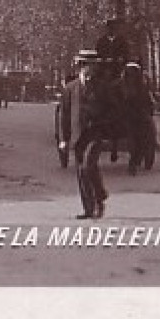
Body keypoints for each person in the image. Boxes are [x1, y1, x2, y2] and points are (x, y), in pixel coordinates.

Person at [59, 50, 112, 219]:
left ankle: (99, 197)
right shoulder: (70, 88)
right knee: (81, 173)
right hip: (77, 135)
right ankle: (89, 208)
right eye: (86, 65)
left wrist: (103, 126)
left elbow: (111, 109)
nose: (89, 69)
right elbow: (64, 115)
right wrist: (63, 139)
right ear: (81, 67)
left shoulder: (103, 87)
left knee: (88, 166)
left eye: (92, 65)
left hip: (95, 134)